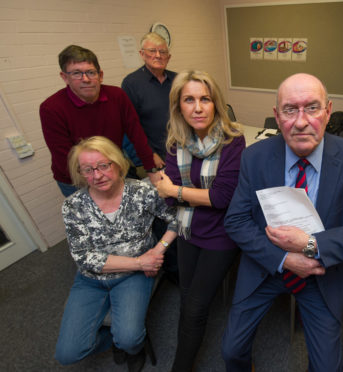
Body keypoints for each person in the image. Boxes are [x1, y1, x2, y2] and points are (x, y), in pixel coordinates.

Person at [221, 73, 343, 372]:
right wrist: (284, 258)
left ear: (328, 110)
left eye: (312, 107)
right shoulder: (254, 157)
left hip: (322, 270)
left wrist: (310, 245)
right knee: (231, 351)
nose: (300, 122)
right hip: (266, 265)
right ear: (276, 115)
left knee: (328, 368)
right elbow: (237, 221)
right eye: (289, 110)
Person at [55, 136, 178, 372]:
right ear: (80, 173)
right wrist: (140, 262)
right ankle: (114, 340)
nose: (97, 175)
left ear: (118, 163)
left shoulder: (142, 191)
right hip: (92, 279)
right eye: (88, 170)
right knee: (67, 353)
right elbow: (83, 257)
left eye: (104, 165)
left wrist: (157, 250)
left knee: (130, 340)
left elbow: (176, 220)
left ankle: (131, 347)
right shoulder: (73, 205)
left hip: (134, 277)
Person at [154, 70, 245, 371]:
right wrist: (183, 194)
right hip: (187, 229)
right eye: (189, 100)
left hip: (221, 235)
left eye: (205, 99)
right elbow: (167, 199)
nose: (197, 107)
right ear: (178, 106)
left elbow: (222, 198)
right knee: (186, 298)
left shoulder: (233, 141)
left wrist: (176, 190)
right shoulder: (174, 142)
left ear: (216, 103)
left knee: (195, 307)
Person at [40, 45, 160, 197]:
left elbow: (137, 135)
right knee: (102, 217)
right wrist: (100, 183)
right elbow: (65, 157)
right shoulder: (51, 108)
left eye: (90, 72)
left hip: (113, 166)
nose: (86, 79)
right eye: (77, 73)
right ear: (65, 77)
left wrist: (151, 169)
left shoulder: (117, 96)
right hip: (76, 178)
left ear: (100, 75)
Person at [122, 32, 177, 167]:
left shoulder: (177, 80)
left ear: (168, 57)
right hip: (154, 156)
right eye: (152, 51)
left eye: (163, 52)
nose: (158, 55)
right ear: (142, 54)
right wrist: (150, 154)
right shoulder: (131, 83)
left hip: (181, 150)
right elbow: (129, 126)